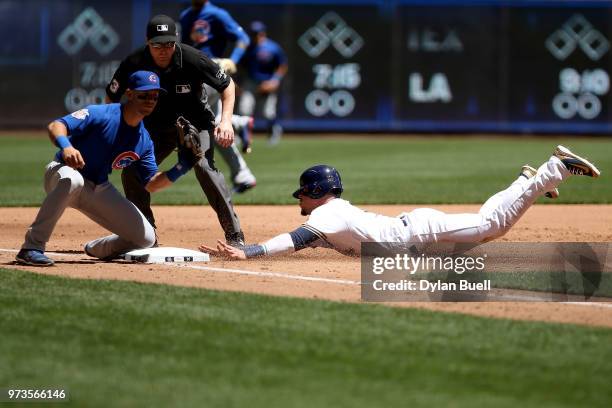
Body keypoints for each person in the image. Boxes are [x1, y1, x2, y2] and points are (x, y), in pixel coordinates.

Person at [199, 146, 600, 260]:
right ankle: (526, 180)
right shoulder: (333, 215)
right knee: (487, 225)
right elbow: (304, 242)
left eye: (302, 192)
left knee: (492, 225)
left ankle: (554, 168)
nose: (299, 199)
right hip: (419, 242)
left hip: (421, 233)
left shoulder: (326, 214)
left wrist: (249, 252)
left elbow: (294, 240)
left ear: (316, 192)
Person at [16, 71, 189, 266]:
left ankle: (97, 248)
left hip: (98, 187)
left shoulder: (144, 140)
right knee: (73, 180)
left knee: (146, 239)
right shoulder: (101, 114)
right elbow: (56, 125)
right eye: (144, 95)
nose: (150, 100)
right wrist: (67, 147)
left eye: (154, 96)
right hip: (61, 172)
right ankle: (31, 247)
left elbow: (151, 184)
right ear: (129, 94)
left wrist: (182, 167)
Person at [106, 14, 246, 246]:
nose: (163, 49)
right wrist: (115, 131)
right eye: (157, 44)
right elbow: (112, 96)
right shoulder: (134, 61)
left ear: (176, 41)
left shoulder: (193, 58)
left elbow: (227, 85)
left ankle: (235, 236)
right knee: (132, 170)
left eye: (169, 43)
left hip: (195, 124)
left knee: (204, 167)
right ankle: (145, 235)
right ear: (147, 42)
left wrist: (226, 122)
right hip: (153, 129)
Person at [180, 0, 257, 193]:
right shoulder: (186, 16)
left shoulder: (217, 14)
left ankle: (239, 123)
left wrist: (233, 59)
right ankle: (242, 175)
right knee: (216, 127)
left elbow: (243, 38)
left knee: (195, 117)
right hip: (192, 73)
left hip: (212, 70)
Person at [239, 21, 288, 145]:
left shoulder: (272, 47)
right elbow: (241, 66)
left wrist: (274, 80)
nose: (256, 36)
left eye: (258, 33)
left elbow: (282, 65)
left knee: (268, 112)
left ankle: (273, 132)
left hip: (267, 82)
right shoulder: (247, 48)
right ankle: (242, 135)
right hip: (251, 82)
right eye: (253, 33)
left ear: (263, 33)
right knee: (244, 110)